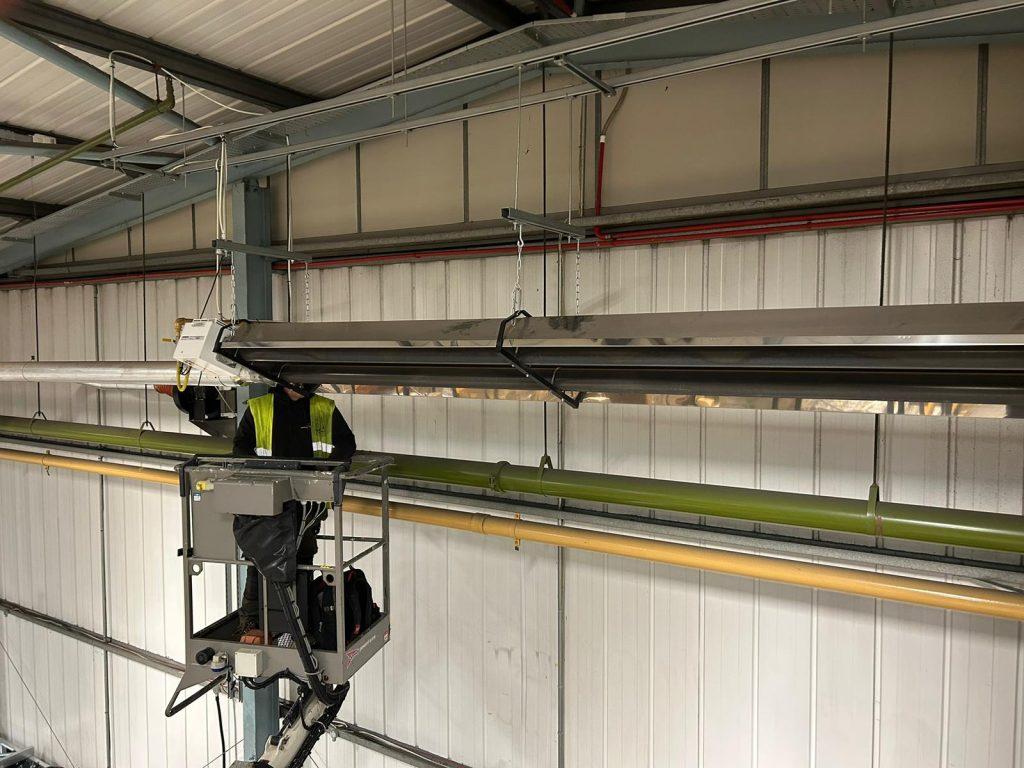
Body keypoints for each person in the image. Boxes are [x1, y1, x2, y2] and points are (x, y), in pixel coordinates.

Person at [233, 385, 356, 642]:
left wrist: (322, 478)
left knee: (302, 561)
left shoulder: (324, 408)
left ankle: (299, 628)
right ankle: (252, 624)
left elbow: (346, 445)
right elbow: (241, 449)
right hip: (267, 503)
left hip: (307, 504)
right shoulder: (260, 408)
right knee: (259, 560)